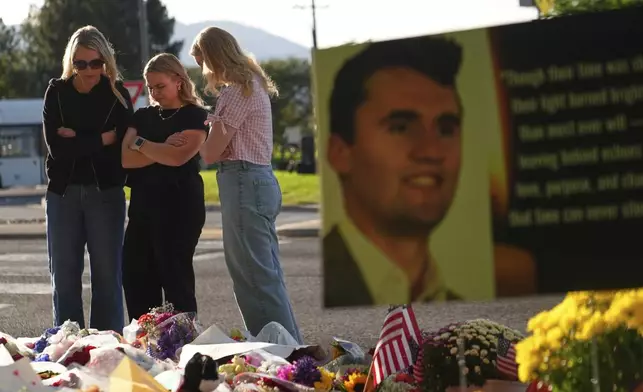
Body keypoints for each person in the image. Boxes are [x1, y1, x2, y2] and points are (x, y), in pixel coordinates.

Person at [323, 36, 465, 308]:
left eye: (445, 130)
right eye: (400, 127)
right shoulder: (332, 285)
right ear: (340, 152)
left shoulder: (463, 303)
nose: (431, 151)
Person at [189, 27, 303, 344]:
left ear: (212, 56)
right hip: (256, 178)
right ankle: (292, 348)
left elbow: (210, 153)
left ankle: (281, 351)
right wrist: (217, 138)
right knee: (266, 274)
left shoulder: (236, 90)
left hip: (242, 180)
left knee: (252, 276)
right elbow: (222, 145)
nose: (203, 70)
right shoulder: (252, 84)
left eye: (201, 61)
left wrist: (202, 136)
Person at [42, 25, 133, 331]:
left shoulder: (118, 95)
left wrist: (77, 138)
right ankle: (69, 348)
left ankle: (108, 348)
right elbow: (57, 150)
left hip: (106, 193)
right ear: (71, 62)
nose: (89, 70)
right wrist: (100, 139)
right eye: (81, 63)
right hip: (62, 194)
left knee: (107, 278)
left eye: (95, 63)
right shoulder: (56, 93)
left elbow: (122, 145)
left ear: (106, 61)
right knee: (64, 277)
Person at [121, 53, 209, 320]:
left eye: (160, 86)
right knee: (135, 276)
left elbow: (177, 157)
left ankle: (180, 345)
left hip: (180, 208)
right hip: (143, 208)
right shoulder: (143, 116)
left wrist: (142, 145)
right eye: (150, 87)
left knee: (175, 277)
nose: (154, 92)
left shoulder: (195, 116)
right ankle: (144, 342)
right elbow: (125, 158)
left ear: (179, 81)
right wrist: (159, 147)